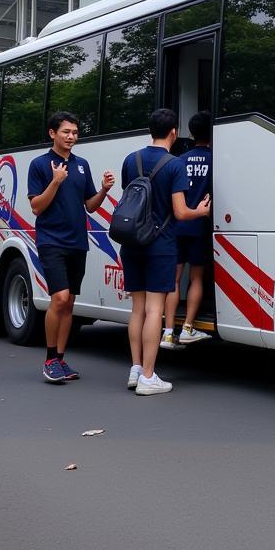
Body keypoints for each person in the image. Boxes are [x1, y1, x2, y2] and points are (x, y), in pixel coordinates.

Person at [120, 108, 210, 396]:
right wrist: (200, 211)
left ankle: (135, 368)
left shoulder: (130, 160)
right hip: (160, 244)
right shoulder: (174, 165)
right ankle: (148, 376)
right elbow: (181, 212)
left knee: (136, 308)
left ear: (150, 131)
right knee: (154, 309)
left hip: (132, 241)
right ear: (173, 132)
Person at [28, 111, 114, 384]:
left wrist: (103, 190)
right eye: (66, 132)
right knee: (60, 298)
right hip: (51, 241)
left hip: (78, 241)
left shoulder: (81, 165)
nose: (71, 137)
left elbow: (90, 206)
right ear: (52, 133)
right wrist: (55, 182)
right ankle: (50, 358)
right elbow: (36, 207)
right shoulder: (40, 165)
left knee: (70, 304)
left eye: (75, 132)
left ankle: (61, 359)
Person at [172, 110, 213, 347]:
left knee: (174, 279)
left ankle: (168, 329)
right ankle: (188, 326)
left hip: (179, 224)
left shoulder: (180, 160)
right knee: (196, 278)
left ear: (190, 133)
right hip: (199, 225)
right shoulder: (214, 159)